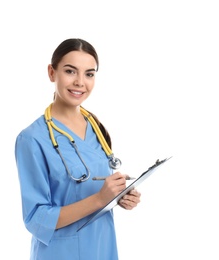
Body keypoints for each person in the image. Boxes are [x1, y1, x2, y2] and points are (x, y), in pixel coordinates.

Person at [15, 38, 141, 260]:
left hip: (103, 246)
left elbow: (92, 186)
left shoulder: (96, 128)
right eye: (70, 71)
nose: (80, 82)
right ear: (51, 73)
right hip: (60, 253)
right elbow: (36, 219)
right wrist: (100, 199)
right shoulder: (32, 139)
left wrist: (118, 196)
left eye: (89, 74)